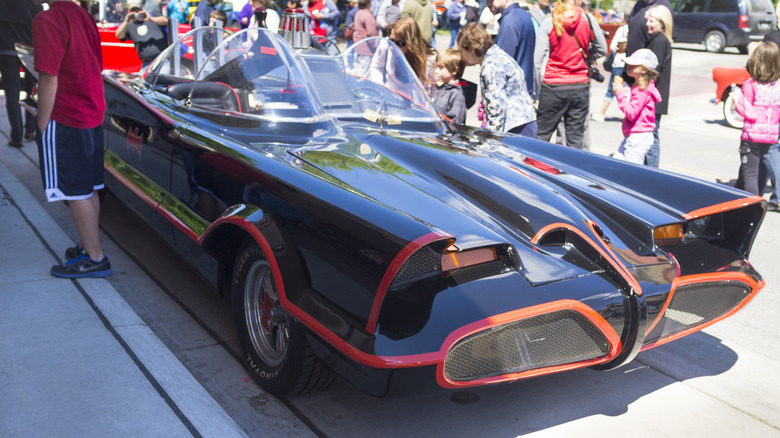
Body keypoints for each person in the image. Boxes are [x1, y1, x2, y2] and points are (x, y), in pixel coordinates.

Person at [32, 0, 112, 278]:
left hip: (66, 114)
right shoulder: (83, 15)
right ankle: (87, 245)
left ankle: (94, 257)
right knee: (89, 187)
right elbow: (97, 64)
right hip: (91, 109)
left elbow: (48, 77)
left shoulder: (48, 20)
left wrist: (42, 124)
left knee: (74, 190)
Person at [533, 0, 606, 149]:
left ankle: (536, 168)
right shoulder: (588, 19)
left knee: (542, 136)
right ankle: (571, 172)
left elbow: (537, 60)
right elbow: (602, 49)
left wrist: (536, 91)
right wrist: (587, 54)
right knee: (575, 140)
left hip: (553, 85)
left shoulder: (550, 20)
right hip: (579, 85)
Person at [458, 22, 536, 135]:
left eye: (461, 52)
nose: (461, 56)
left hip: (515, 128)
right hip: (524, 122)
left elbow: (496, 108)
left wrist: (491, 139)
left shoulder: (491, 67)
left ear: (472, 50)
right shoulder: (498, 55)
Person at [734, 41, 780, 196]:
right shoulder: (778, 84)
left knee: (751, 174)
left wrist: (735, 99)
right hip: (770, 135)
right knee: (753, 170)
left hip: (751, 136)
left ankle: (751, 206)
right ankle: (736, 197)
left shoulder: (751, 84)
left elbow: (744, 109)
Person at [635, 4, 673, 167]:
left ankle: (651, 170)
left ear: (662, 23)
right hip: (656, 97)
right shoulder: (659, 40)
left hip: (653, 98)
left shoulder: (658, 41)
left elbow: (653, 70)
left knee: (650, 135)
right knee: (650, 134)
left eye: (651, 21)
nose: (648, 24)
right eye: (648, 20)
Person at [611, 49, 661, 164]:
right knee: (616, 164)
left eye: (634, 64)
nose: (629, 65)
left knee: (631, 172)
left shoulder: (642, 90)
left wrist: (620, 93)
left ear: (643, 69)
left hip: (638, 138)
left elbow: (631, 113)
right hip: (636, 136)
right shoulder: (641, 87)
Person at [1, 0, 38, 148]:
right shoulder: (31, 3)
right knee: (32, 90)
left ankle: (16, 137)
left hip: (6, 50)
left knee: (11, 92)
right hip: (28, 50)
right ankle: (30, 130)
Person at [489, 0, 536, 94]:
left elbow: (503, 60)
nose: (490, 3)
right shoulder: (523, 15)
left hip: (513, 90)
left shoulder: (510, 20)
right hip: (523, 85)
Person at [388, 17, 438, 98]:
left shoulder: (429, 58)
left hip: (416, 103)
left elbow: (436, 83)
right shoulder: (387, 47)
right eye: (391, 40)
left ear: (411, 42)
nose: (393, 46)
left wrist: (430, 103)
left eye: (399, 43)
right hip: (392, 97)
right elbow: (376, 66)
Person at [115, 0, 169, 69]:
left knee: (163, 78)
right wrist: (126, 21)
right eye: (133, 10)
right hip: (146, 63)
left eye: (138, 9)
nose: (136, 12)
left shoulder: (151, 15)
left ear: (141, 8)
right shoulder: (129, 25)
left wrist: (150, 19)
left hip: (162, 60)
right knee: (144, 79)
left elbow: (166, 21)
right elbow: (118, 35)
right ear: (128, 10)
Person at [592, 30, 627, 122]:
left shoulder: (622, 29)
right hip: (629, 63)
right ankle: (628, 114)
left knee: (612, 89)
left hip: (618, 63)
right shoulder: (636, 30)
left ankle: (601, 114)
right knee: (627, 88)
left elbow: (612, 46)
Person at [433, 48, 468, 123]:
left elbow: (456, 122)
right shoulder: (443, 87)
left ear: (454, 70)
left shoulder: (457, 94)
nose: (436, 71)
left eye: (441, 67)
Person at [352, 0, 379, 73]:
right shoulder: (368, 15)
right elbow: (371, 34)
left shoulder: (358, 13)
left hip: (358, 45)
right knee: (364, 73)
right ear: (368, 4)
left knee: (359, 69)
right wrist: (374, 47)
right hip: (366, 48)